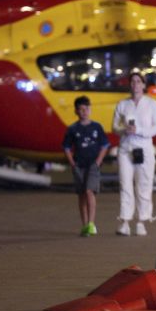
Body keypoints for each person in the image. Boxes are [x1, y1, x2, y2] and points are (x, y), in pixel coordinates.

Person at [112, 72, 156, 237]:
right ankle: (125, 222)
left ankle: (141, 221)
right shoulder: (122, 104)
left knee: (144, 185)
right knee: (125, 184)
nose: (135, 84)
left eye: (138, 81)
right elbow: (114, 126)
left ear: (143, 84)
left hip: (144, 149)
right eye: (132, 81)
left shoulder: (152, 104)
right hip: (126, 149)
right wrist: (123, 130)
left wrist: (139, 130)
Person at [62, 95, 110, 237]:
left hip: (93, 165)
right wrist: (72, 163)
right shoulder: (72, 129)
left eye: (86, 109)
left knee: (90, 191)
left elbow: (104, 145)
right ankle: (84, 225)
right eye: (80, 109)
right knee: (82, 195)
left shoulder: (97, 127)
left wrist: (98, 162)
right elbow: (66, 147)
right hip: (79, 165)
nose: (84, 111)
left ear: (90, 110)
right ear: (76, 111)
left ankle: (91, 223)